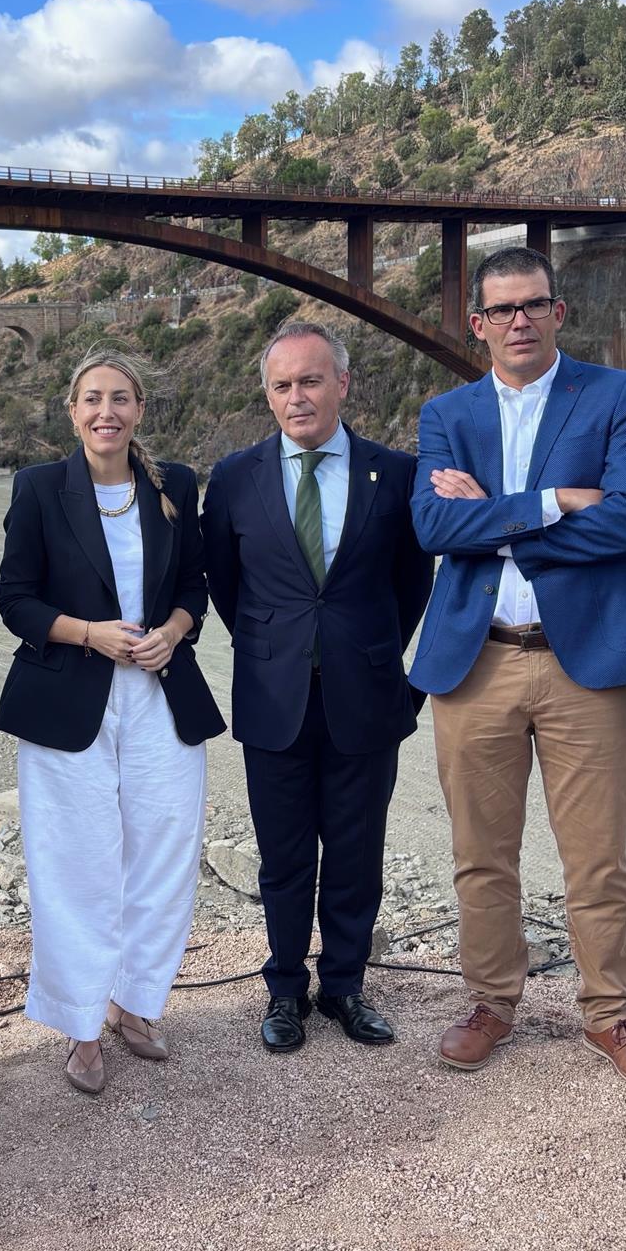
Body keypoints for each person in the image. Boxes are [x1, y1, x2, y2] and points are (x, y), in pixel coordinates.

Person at [408, 246, 626, 1091]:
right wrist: (556, 500)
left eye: (534, 306)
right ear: (477, 324)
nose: (518, 322)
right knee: (481, 853)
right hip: (476, 661)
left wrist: (488, 514)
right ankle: (491, 1002)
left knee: (596, 854)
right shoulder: (447, 414)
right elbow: (432, 532)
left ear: (558, 313)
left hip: (582, 664)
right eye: (501, 310)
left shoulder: (615, 396)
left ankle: (610, 1014)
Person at [0, 347, 223, 1093]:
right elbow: (14, 598)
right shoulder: (38, 488)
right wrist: (89, 632)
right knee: (75, 864)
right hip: (69, 699)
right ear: (72, 410)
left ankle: (137, 1004)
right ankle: (82, 1025)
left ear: (140, 409)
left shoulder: (175, 487)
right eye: (92, 398)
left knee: (163, 854)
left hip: (161, 695)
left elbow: (197, 583)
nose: (106, 412)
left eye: (120, 398)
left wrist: (175, 629)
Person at [202, 320, 433, 1054]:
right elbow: (224, 584)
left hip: (365, 692)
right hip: (274, 697)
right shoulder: (236, 477)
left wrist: (362, 651)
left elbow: (411, 582)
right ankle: (282, 991)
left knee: (358, 850)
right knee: (284, 853)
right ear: (267, 395)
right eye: (282, 385)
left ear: (342, 383)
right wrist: (279, 647)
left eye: (310, 380)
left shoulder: (394, 473)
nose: (296, 396)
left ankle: (345, 987)